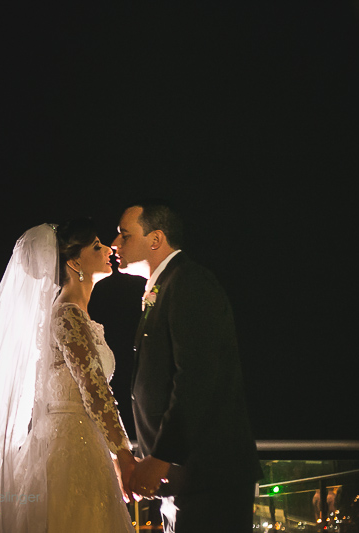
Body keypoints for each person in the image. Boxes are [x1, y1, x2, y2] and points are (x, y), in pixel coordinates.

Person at [0, 220, 134, 532]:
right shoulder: (68, 315)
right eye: (97, 246)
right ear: (75, 262)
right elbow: (94, 389)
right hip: (72, 450)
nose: (108, 250)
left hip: (88, 443)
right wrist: (124, 453)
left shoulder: (77, 315)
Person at [110, 202, 263, 533]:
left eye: (124, 234)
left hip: (207, 474)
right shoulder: (166, 287)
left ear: (156, 239)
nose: (114, 243)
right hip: (183, 478)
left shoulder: (190, 282)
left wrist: (161, 456)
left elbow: (197, 376)